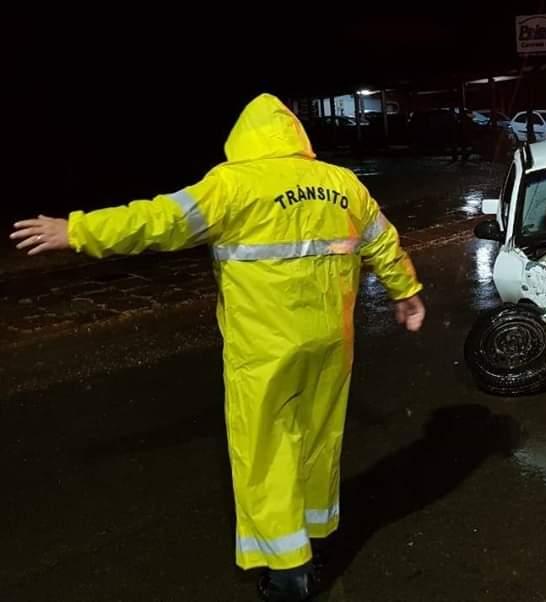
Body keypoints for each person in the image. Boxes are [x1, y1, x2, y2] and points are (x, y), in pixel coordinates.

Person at [10, 94, 425, 602]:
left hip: (265, 351)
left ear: (242, 138)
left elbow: (155, 221)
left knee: (265, 451)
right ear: (296, 136)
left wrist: (76, 230)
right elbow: (383, 241)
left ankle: (289, 571)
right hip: (331, 342)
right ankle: (317, 536)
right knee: (319, 437)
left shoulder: (231, 185)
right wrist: (406, 293)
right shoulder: (343, 184)